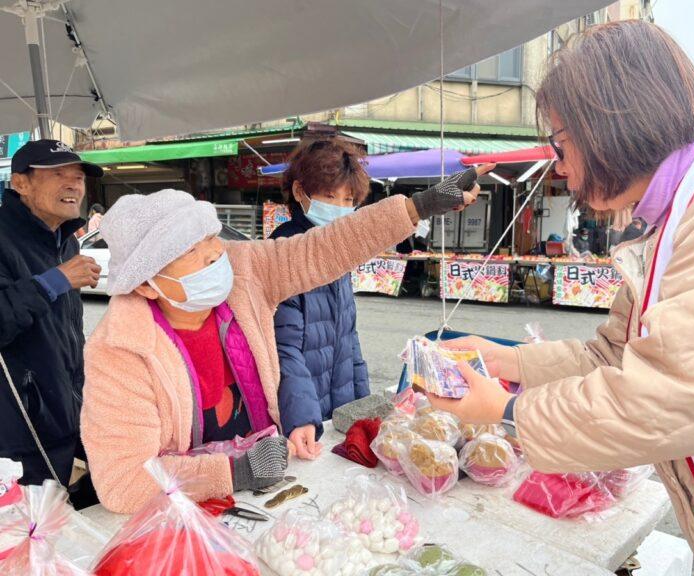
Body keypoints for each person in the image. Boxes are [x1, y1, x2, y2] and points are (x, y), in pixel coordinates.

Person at [429, 20, 694, 576]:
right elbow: (613, 357)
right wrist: (505, 360)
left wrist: (508, 410)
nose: (559, 166)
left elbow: (683, 390)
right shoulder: (672, 212)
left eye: (561, 144)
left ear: (615, 124)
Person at [81, 164, 492, 513]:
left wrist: (419, 206)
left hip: (274, 491)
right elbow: (122, 482)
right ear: (148, 284)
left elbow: (326, 248)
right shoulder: (120, 349)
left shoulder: (245, 270)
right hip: (185, 518)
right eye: (191, 252)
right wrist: (236, 470)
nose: (213, 255)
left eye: (210, 239)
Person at [0, 140, 103, 487]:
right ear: (21, 183)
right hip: (17, 427)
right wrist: (54, 281)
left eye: (78, 177)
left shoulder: (66, 240)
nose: (73, 184)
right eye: (58, 174)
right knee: (32, 529)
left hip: (68, 410)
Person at [270, 139, 371, 459]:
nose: (340, 208)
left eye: (349, 199)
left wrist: (363, 407)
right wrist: (303, 417)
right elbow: (282, 346)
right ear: (300, 193)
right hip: (302, 417)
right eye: (330, 196)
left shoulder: (337, 249)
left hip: (336, 408)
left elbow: (349, 337)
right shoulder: (285, 252)